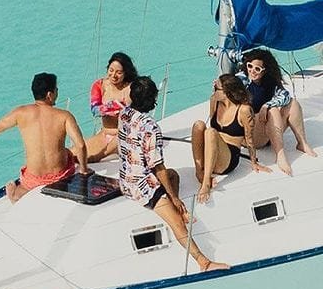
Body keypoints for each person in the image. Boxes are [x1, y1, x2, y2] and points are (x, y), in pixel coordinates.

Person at [119, 75, 228, 271]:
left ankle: (176, 204)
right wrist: (174, 198)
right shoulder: (151, 127)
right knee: (177, 223)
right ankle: (203, 262)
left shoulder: (124, 114)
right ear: (153, 100)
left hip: (125, 178)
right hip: (143, 186)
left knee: (174, 176)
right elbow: (157, 167)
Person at [0, 72, 89, 204]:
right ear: (49, 94)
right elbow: (81, 145)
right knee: (69, 152)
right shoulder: (64, 116)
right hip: (61, 176)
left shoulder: (21, 113)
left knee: (26, 178)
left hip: (34, 180)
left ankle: (17, 193)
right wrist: (83, 170)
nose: (58, 92)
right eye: (56, 89)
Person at [190, 74, 270, 204]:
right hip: (211, 150)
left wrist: (254, 162)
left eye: (216, 88)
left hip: (228, 158)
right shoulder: (214, 101)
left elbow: (249, 138)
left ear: (227, 92)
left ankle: (205, 183)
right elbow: (210, 127)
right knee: (198, 125)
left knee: (210, 132)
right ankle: (199, 171)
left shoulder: (244, 110)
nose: (213, 90)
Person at [240, 47, 317, 176]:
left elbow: (285, 96)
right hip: (252, 135)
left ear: (265, 71)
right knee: (274, 110)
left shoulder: (270, 83)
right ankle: (280, 155)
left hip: (268, 130)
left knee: (293, 104)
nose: (252, 71)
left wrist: (266, 105)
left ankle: (302, 143)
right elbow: (229, 87)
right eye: (250, 66)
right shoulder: (243, 80)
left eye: (257, 69)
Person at [86, 51, 138, 160]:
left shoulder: (130, 88)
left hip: (124, 135)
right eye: (111, 70)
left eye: (119, 72)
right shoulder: (99, 85)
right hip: (105, 133)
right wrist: (113, 108)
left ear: (126, 73)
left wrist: (111, 109)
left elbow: (131, 115)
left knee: (91, 158)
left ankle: (101, 155)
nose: (113, 75)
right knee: (74, 153)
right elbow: (95, 109)